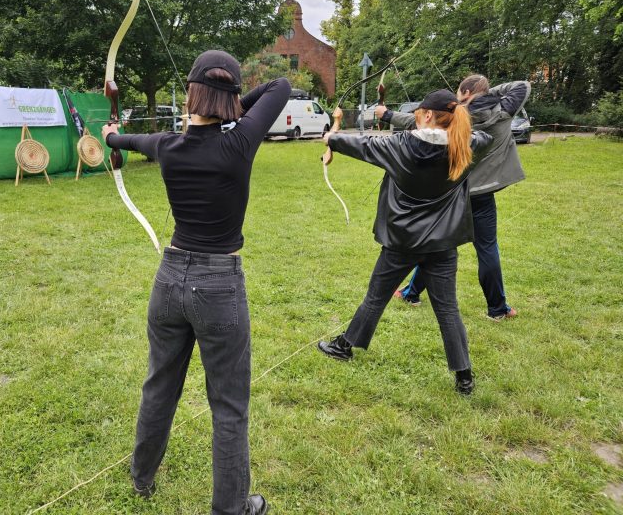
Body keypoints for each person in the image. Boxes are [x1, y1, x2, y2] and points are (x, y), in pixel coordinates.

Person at [102, 50, 290, 515]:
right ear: (229, 99)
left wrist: (111, 136)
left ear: (190, 94)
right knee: (228, 405)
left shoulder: (168, 144)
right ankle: (232, 508)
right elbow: (280, 86)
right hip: (218, 284)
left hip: (168, 279)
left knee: (159, 385)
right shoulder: (240, 141)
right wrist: (230, 106)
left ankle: (142, 478)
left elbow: (124, 138)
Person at [317, 89, 493, 395]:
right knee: (448, 309)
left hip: (402, 242)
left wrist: (333, 129)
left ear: (426, 115)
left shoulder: (399, 145)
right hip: (441, 245)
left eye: (417, 115)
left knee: (376, 298)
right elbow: (484, 137)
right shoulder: (467, 146)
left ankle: (344, 346)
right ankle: (464, 377)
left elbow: (341, 141)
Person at [381, 76, 530, 320]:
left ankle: (411, 293)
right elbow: (523, 85)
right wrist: (482, 95)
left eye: (459, 92)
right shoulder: (502, 110)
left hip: (456, 191)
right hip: (482, 194)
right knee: (486, 248)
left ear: (466, 91)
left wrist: (386, 114)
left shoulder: (458, 117)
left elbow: (416, 121)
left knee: (438, 243)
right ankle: (497, 308)